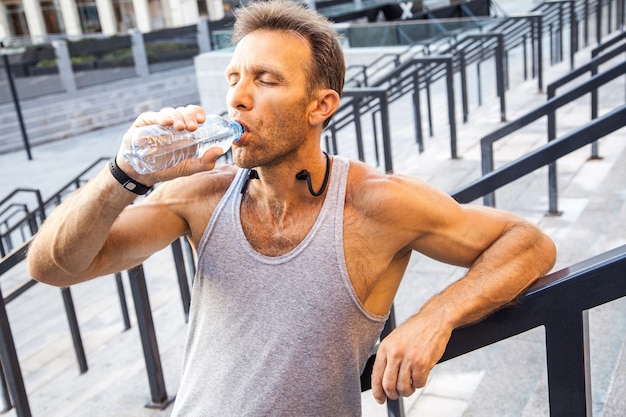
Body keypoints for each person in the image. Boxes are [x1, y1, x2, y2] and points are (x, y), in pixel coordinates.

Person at [27, 0, 556, 415]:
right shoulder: (199, 195)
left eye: (266, 79)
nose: (237, 97)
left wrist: (434, 318)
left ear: (320, 105)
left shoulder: (375, 203)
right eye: (234, 77)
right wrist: (124, 176)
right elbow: (53, 267)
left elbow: (529, 243)